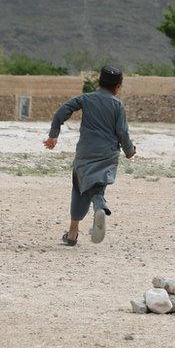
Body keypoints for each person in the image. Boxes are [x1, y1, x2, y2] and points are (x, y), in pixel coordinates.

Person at [45, 65, 135, 246]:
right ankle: (100, 207)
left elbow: (62, 111)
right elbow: (122, 132)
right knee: (97, 186)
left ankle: (72, 234)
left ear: (99, 82)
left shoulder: (86, 99)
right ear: (118, 87)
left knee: (79, 188)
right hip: (108, 154)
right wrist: (129, 151)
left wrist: (53, 135)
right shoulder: (117, 105)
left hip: (85, 152)